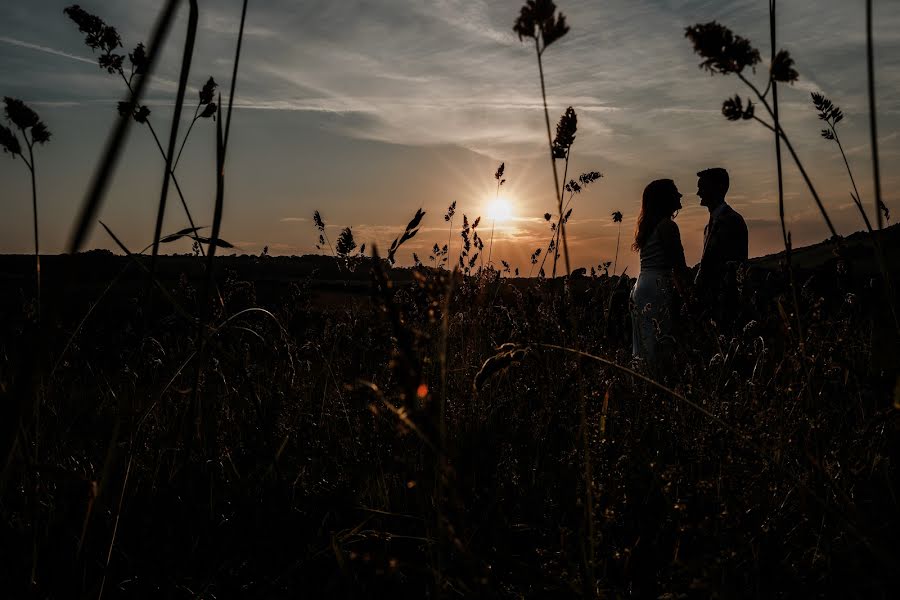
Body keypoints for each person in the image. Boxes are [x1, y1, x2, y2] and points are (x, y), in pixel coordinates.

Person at [630, 179, 690, 371]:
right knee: (661, 340)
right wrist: (688, 295)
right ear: (665, 199)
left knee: (645, 341)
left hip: (642, 285)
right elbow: (678, 265)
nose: (680, 196)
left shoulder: (649, 228)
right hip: (658, 286)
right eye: (675, 192)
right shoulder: (667, 226)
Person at [693, 168, 748, 327]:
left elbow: (736, 265)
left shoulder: (733, 221)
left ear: (717, 188)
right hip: (711, 305)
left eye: (702, 188)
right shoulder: (707, 228)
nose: (698, 193)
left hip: (727, 304)